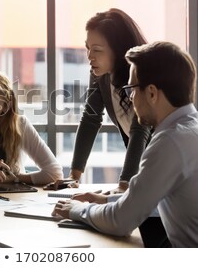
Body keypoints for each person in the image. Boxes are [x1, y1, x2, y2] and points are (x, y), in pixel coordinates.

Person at [52, 41, 198, 248]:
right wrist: (105, 200)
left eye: (131, 89)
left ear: (152, 93)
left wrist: (76, 209)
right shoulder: (189, 129)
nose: (130, 98)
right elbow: (152, 199)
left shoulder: (170, 142)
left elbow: (120, 221)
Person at [65, 8, 151, 193]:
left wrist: (123, 185)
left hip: (166, 162)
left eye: (97, 50)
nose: (89, 56)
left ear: (119, 50)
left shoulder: (143, 72)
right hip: (145, 170)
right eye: (87, 48)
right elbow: (90, 119)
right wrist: (74, 176)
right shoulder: (100, 74)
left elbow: (139, 129)